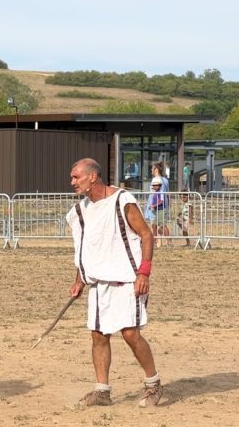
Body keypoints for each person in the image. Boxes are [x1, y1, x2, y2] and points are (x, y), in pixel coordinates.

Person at [66, 157, 165, 408]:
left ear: (93, 177)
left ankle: (153, 384)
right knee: (98, 335)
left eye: (76, 177)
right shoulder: (79, 212)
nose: (72, 182)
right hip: (99, 283)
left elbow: (146, 235)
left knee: (131, 334)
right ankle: (102, 391)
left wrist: (144, 272)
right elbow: (83, 249)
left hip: (127, 280)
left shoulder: (122, 201)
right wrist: (79, 280)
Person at [144, 176, 170, 247]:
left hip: (161, 210)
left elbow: (161, 201)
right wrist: (151, 206)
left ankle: (169, 241)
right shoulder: (154, 193)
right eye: (154, 185)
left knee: (163, 225)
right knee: (154, 225)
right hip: (155, 211)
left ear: (159, 186)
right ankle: (154, 242)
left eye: (156, 185)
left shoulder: (161, 192)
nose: (154, 186)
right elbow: (153, 202)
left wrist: (154, 206)